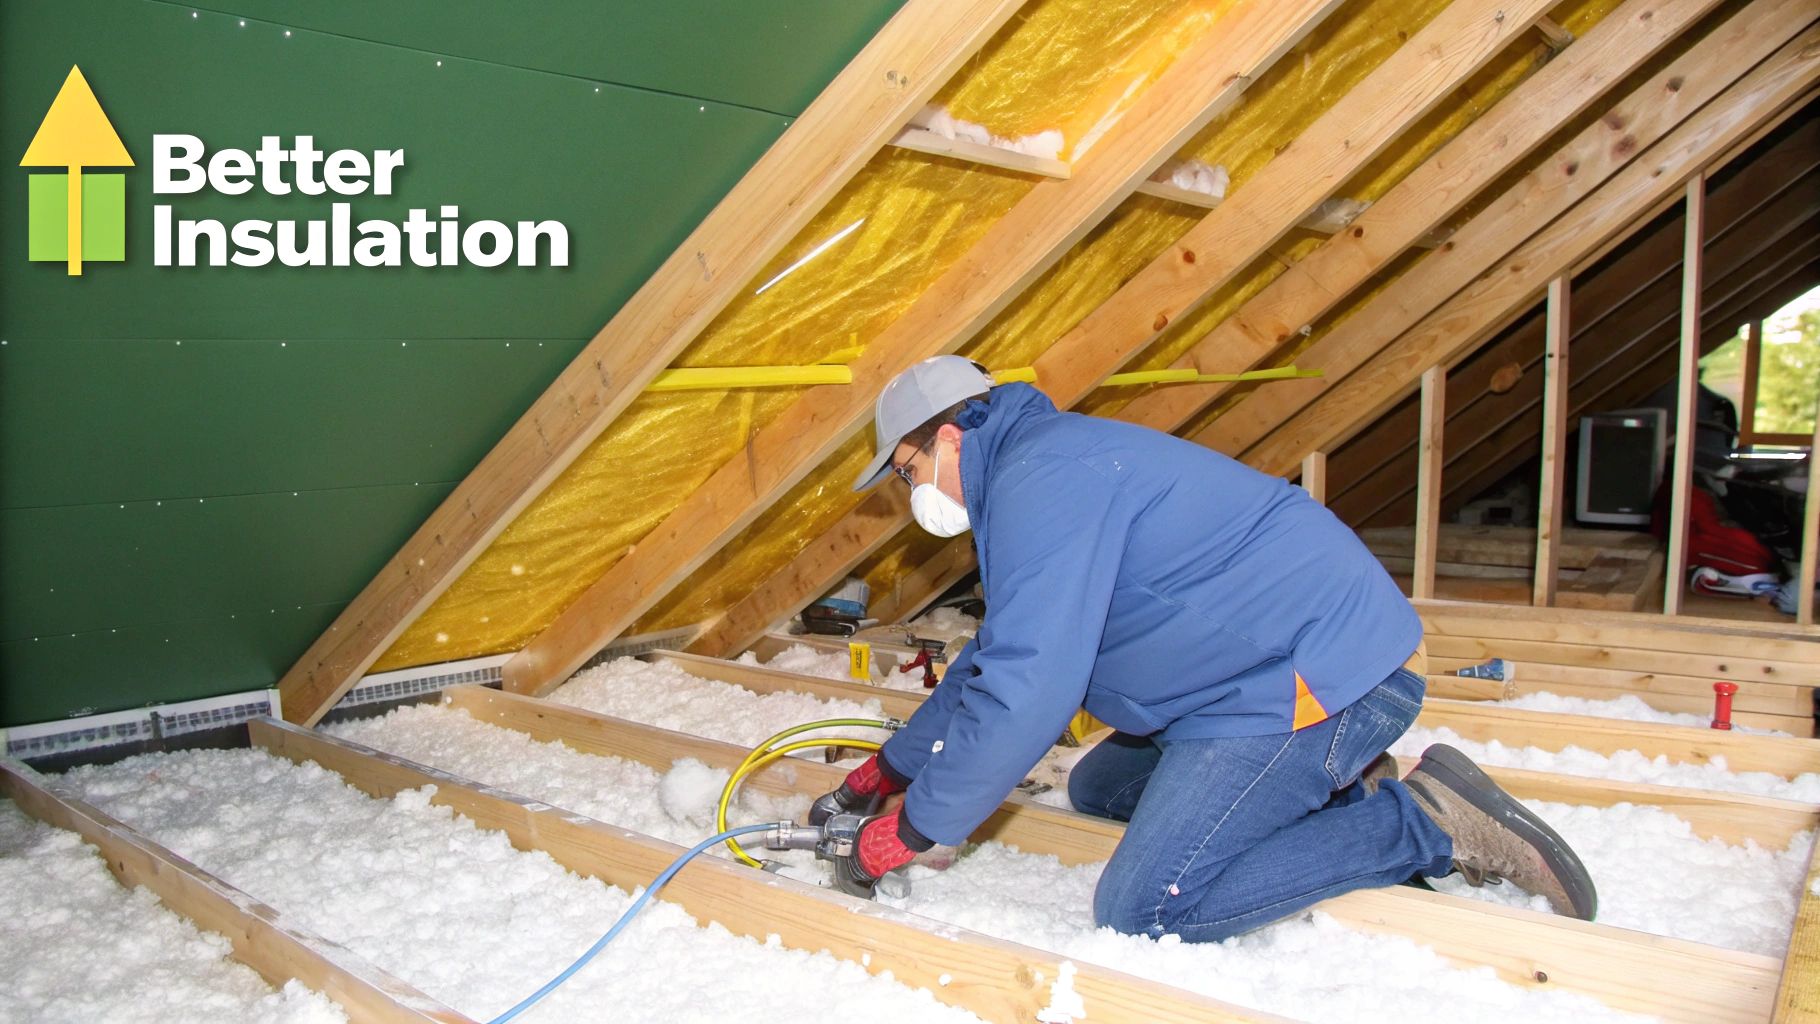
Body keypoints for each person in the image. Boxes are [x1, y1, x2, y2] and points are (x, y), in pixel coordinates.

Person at [811, 355, 1596, 938]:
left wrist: (915, 829)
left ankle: (1424, 822)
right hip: (1248, 679)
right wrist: (894, 767)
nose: (913, 493)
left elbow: (1031, 689)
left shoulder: (1040, 481)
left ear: (950, 438)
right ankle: (1338, 787)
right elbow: (998, 655)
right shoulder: (1039, 465)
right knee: (1098, 789)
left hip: (1321, 677)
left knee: (1145, 907)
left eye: (909, 469)